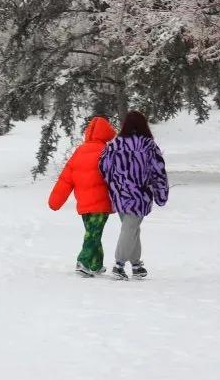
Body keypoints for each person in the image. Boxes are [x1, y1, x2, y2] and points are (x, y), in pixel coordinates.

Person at [99, 111, 169, 280]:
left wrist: (114, 185)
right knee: (130, 228)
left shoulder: (114, 145)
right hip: (139, 195)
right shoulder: (148, 145)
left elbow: (103, 167)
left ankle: (136, 264)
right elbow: (158, 172)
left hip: (119, 194)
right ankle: (119, 265)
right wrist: (161, 194)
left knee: (131, 228)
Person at [48, 116, 116, 277]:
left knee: (93, 233)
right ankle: (83, 261)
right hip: (101, 203)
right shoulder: (106, 152)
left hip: (84, 203)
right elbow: (116, 177)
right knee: (93, 233)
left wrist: (55, 201)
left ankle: (96, 264)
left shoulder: (79, 152)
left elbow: (66, 179)